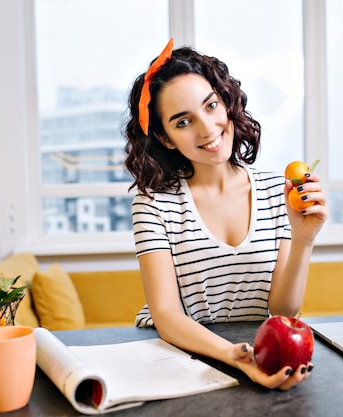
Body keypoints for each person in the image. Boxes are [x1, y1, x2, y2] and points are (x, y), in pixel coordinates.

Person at [123, 39, 328, 390]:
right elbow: (167, 316)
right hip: (174, 357)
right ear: (166, 138)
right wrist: (235, 357)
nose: (207, 128)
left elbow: (282, 312)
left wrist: (303, 240)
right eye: (183, 121)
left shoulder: (275, 192)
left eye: (211, 105)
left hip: (253, 353)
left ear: (227, 103)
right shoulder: (154, 203)